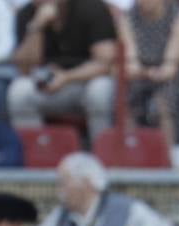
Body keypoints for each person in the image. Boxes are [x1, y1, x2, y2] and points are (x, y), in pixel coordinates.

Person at [8, 0, 118, 139]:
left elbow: (105, 63)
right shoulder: (26, 14)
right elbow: (24, 70)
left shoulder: (91, 7)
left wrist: (66, 77)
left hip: (85, 83)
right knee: (19, 91)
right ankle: (36, 149)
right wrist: (37, 27)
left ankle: (102, 149)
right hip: (50, 88)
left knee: (101, 88)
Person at [33, 152, 174, 226]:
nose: (60, 190)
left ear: (86, 183)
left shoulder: (124, 208)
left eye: (64, 182)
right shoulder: (61, 214)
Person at [117, 0, 179, 149]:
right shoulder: (127, 18)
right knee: (126, 98)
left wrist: (150, 72)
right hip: (139, 76)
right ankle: (130, 150)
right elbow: (131, 64)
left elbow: (170, 68)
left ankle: (168, 154)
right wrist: (144, 72)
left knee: (163, 102)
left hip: (171, 78)